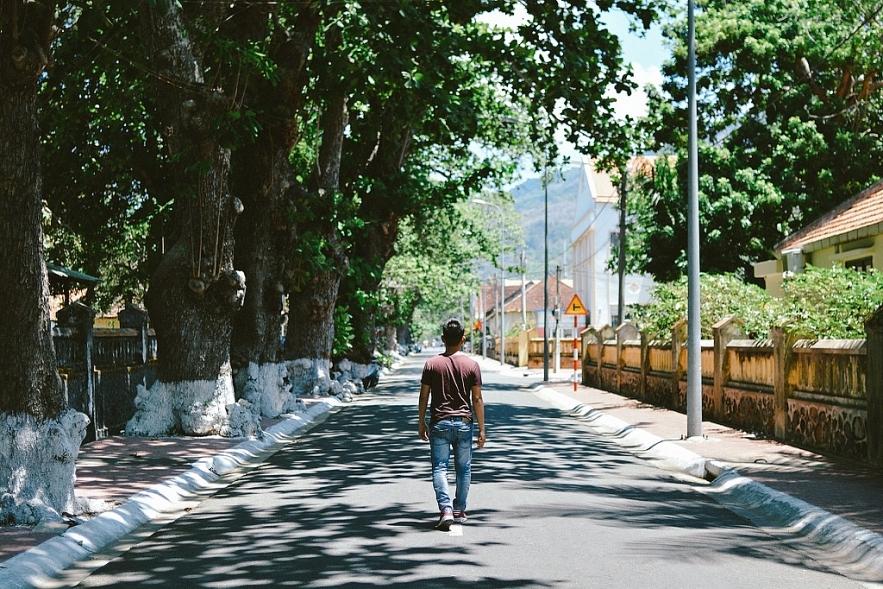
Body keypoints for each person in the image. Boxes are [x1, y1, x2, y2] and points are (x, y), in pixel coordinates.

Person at [418, 318, 486, 531]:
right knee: (463, 469)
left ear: (442, 338)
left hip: (439, 423)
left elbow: (423, 396)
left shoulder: (431, 364)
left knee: (440, 468)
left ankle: (445, 509)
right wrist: (482, 429)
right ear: (463, 339)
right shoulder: (472, 365)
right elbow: (477, 399)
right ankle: (459, 509)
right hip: (464, 423)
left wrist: (421, 422)